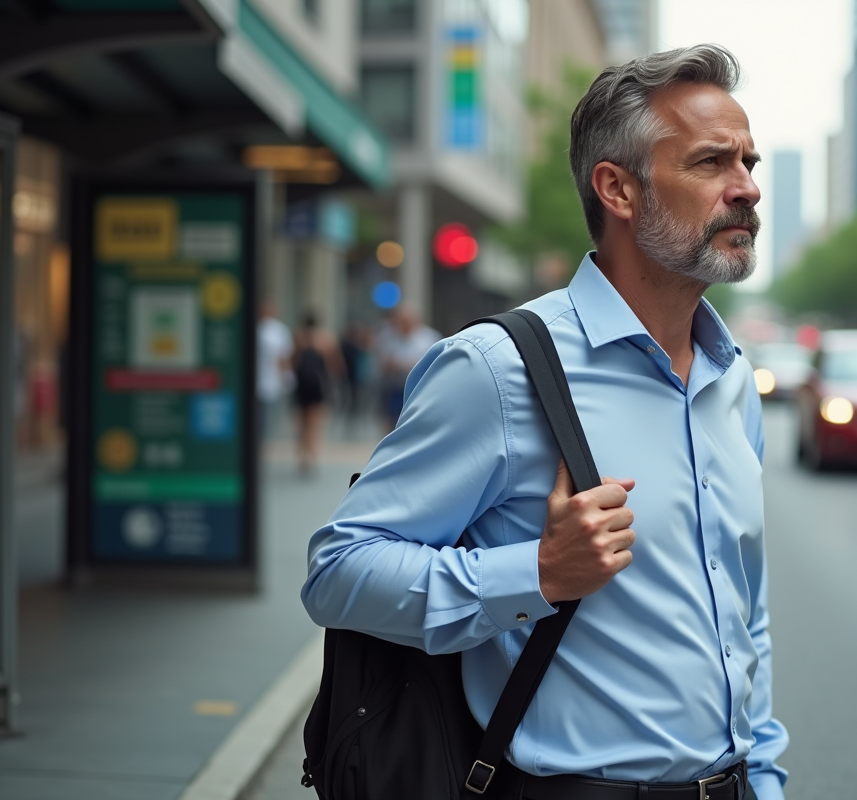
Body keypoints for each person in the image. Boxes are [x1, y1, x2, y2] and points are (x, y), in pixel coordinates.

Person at [302, 44, 787, 800]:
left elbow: (745, 619)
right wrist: (534, 575)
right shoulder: (497, 370)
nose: (747, 189)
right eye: (711, 163)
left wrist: (765, 779)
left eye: (750, 163)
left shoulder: (731, 383)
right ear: (617, 190)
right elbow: (339, 571)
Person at [291, 311, 342, 475]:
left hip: (301, 385)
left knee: (302, 422)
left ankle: (303, 454)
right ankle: (312, 454)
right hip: (318, 386)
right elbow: (334, 365)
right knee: (315, 422)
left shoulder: (298, 338)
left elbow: (292, 362)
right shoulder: (326, 340)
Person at [374, 305, 440, 431]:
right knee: (390, 421)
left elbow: (432, 363)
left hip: (419, 387)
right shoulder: (388, 336)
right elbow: (382, 361)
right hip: (393, 386)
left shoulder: (429, 338)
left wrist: (400, 364)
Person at [255, 299, 293, 439]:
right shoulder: (256, 327)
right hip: (257, 380)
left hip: (270, 381)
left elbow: (283, 356)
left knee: (266, 417)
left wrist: (287, 376)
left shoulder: (278, 330)